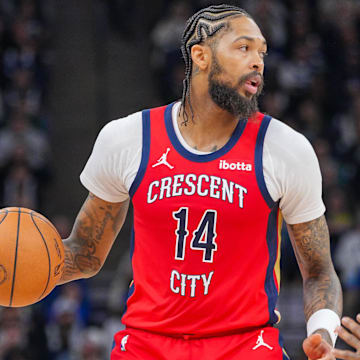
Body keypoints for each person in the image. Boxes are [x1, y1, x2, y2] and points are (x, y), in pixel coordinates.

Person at [57, 5, 342, 359]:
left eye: (262, 52)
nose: (258, 62)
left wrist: (323, 333)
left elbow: (318, 268)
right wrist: (22, 268)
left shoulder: (285, 149)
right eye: (243, 48)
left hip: (245, 346)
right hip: (147, 345)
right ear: (200, 55)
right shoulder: (127, 139)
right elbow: (84, 253)